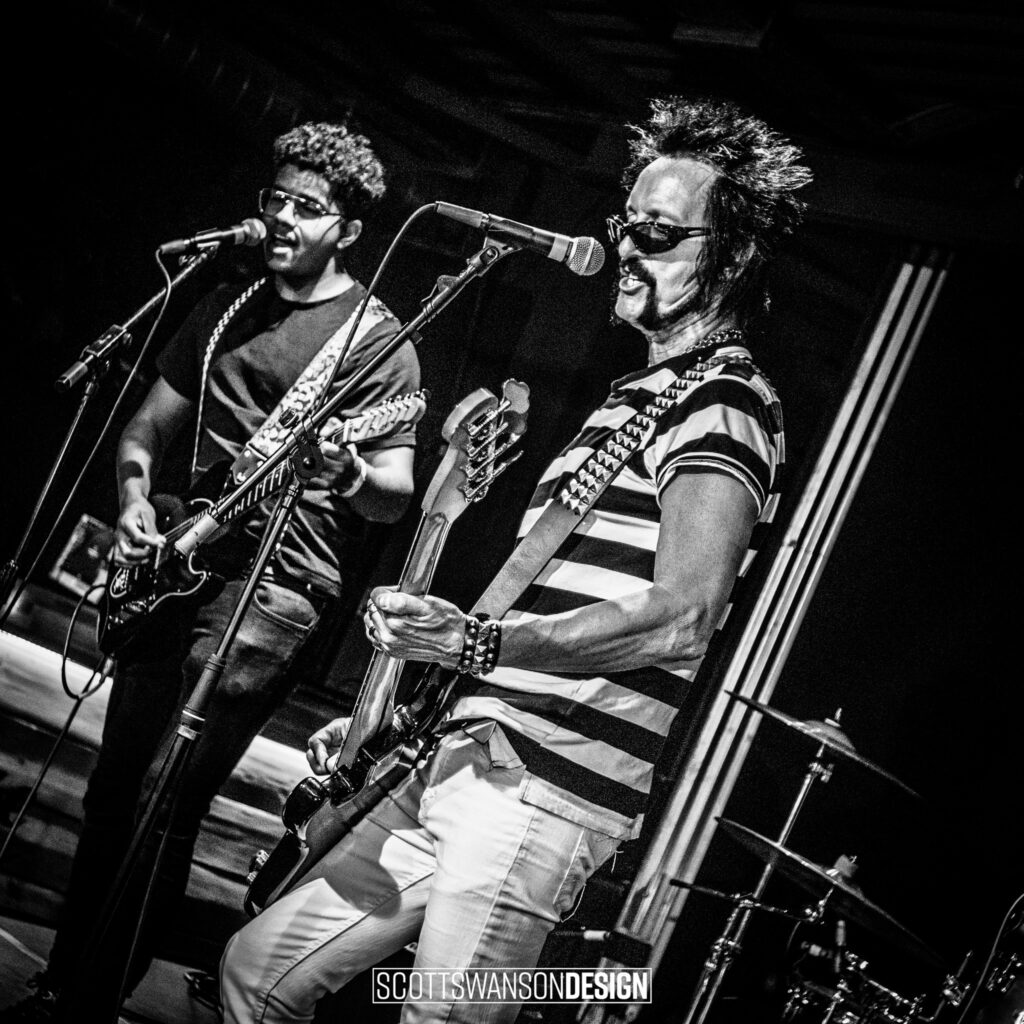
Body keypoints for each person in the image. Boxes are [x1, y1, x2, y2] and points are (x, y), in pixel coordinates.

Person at [219, 96, 811, 1024]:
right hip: (467, 753)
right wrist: (403, 712)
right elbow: (528, 611)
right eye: (625, 225)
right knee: (256, 973)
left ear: (730, 257)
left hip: (541, 792)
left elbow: (685, 613)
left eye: (659, 234)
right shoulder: (639, 397)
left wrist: (478, 644)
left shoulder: (726, 403)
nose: (627, 248)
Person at [2, 122, 420, 1022]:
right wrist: (135, 499)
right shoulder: (228, 306)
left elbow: (395, 493)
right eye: (277, 199)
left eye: (309, 208)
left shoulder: (378, 343)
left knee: (164, 803)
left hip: (275, 590)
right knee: (114, 791)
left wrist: (348, 468)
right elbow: (146, 426)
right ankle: (64, 983)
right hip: (181, 563)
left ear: (349, 230)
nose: (283, 218)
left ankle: (90, 1000)